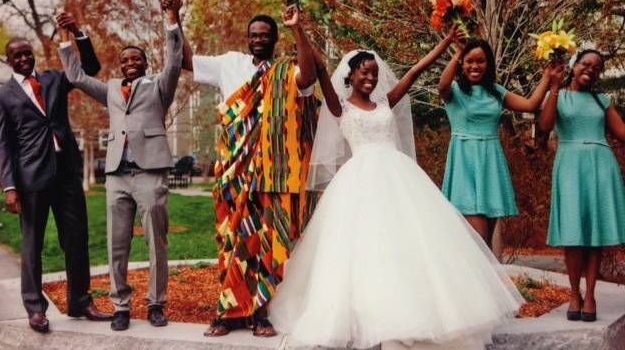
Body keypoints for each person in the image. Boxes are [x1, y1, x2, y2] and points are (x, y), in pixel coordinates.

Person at [268, 31, 524, 349]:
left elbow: (415, 71)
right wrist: (298, 29)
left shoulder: (385, 102)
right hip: (359, 183)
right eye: (365, 73)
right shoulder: (341, 109)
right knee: (367, 249)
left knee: (410, 244)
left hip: (400, 179)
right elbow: (320, 70)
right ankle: (373, 315)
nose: (372, 78)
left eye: (375, 73)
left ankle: (418, 310)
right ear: (350, 75)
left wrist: (445, 44)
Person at [181, 5, 317, 337]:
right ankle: (229, 311)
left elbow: (309, 77)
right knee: (232, 239)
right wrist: (175, 21)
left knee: (264, 239)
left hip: (270, 171)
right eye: (254, 35)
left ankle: (259, 312)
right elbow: (187, 62)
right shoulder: (230, 63)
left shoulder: (286, 70)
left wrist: (298, 29)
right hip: (233, 168)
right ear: (247, 38)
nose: (259, 39)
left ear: (274, 39)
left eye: (265, 35)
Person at [57, 0, 185, 331]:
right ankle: (121, 307)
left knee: (156, 244)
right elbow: (77, 78)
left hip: (150, 173)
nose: (129, 62)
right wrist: (67, 37)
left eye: (135, 58)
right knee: (117, 244)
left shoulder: (159, 86)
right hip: (116, 176)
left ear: (144, 64)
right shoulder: (112, 89)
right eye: (124, 59)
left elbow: (174, 61)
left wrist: (172, 17)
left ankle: (156, 304)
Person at [0, 32, 112, 333]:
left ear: (33, 54)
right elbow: (2, 144)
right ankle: (35, 308)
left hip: (67, 172)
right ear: (9, 61)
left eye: (27, 53)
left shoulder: (54, 80)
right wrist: (9, 186)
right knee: (32, 244)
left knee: (76, 238)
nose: (23, 58)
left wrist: (79, 35)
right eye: (17, 55)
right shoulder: (2, 96)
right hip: (31, 178)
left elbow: (90, 69)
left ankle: (80, 301)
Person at [438, 39, 563, 246]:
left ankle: (483, 278)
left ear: (488, 64)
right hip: (464, 162)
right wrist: (457, 53)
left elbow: (530, 105)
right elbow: (442, 85)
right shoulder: (454, 90)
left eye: (481, 61)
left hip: (490, 161)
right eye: (469, 61)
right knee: (477, 235)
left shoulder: (496, 92)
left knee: (486, 238)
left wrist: (547, 77)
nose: (475, 66)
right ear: (461, 62)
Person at [539, 49, 625, 322]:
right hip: (570, 167)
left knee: (595, 235)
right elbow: (545, 125)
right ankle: (574, 293)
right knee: (574, 235)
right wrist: (553, 87)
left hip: (601, 166)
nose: (590, 69)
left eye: (597, 67)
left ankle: (590, 296)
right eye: (585, 64)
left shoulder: (602, 101)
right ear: (574, 66)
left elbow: (621, 133)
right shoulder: (560, 95)